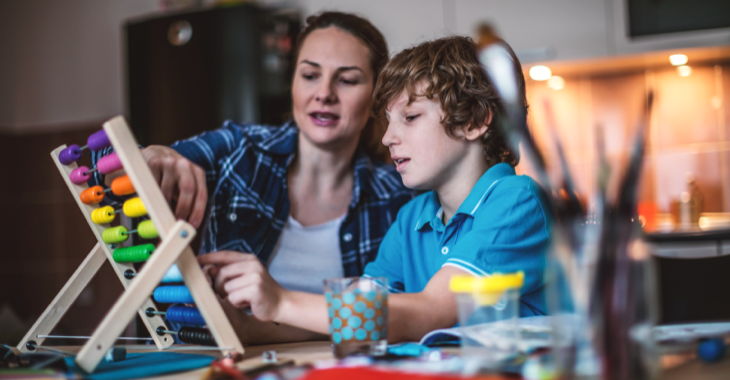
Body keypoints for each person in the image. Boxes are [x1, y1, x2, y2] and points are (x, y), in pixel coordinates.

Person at [199, 35, 551, 343]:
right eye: (387, 122)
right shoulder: (412, 217)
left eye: (410, 118)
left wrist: (282, 301)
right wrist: (256, 329)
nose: (387, 138)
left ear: (474, 120)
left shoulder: (515, 202)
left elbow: (431, 311)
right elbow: (364, 314)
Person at [92, 12, 415, 343]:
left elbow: (392, 317)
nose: (324, 93)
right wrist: (151, 156)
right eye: (309, 75)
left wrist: (254, 329)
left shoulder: (397, 196)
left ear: (377, 94)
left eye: (346, 80)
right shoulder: (240, 149)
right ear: (292, 83)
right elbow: (104, 176)